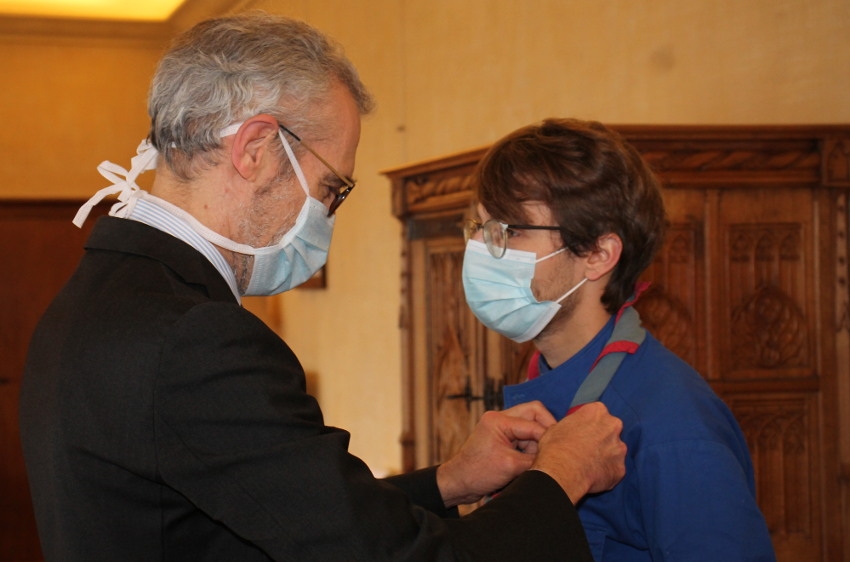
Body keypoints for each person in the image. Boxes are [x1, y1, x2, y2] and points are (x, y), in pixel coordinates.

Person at [18, 13, 628, 562]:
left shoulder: (97, 294)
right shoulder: (195, 339)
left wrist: (447, 481)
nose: (330, 214)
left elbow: (268, 513)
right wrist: (561, 475)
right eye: (334, 188)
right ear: (256, 148)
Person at [461, 117, 776, 561]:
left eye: (509, 230)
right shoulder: (549, 380)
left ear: (597, 255)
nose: (480, 248)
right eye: (478, 226)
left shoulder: (673, 425)